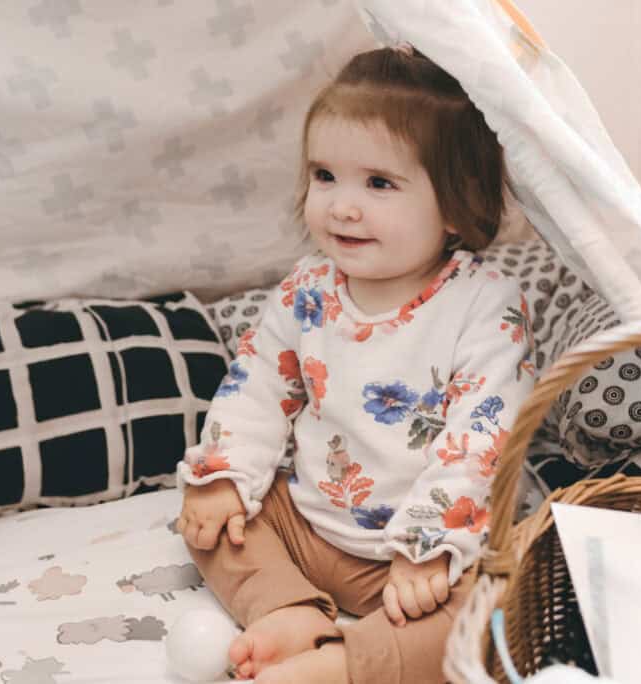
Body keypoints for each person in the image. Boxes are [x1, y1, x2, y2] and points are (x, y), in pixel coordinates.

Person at [176, 45, 535, 684]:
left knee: (493, 611)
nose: (342, 205)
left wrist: (429, 548)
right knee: (211, 523)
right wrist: (228, 475)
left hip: (426, 562)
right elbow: (257, 386)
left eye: (378, 184)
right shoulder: (308, 289)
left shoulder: (485, 304)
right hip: (312, 525)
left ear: (456, 204)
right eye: (324, 176)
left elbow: (483, 440)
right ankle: (289, 612)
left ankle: (345, 664)